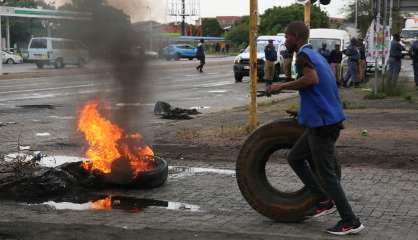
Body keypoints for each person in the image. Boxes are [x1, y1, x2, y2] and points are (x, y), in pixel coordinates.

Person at [267, 21, 364, 236]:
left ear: (295, 36)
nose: (285, 40)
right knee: (295, 157)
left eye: (287, 36)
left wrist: (280, 86)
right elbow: (321, 90)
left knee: (327, 174)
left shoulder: (303, 57)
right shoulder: (315, 55)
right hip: (320, 120)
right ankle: (323, 199)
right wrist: (303, 113)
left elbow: (311, 80)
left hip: (324, 125)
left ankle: (350, 221)